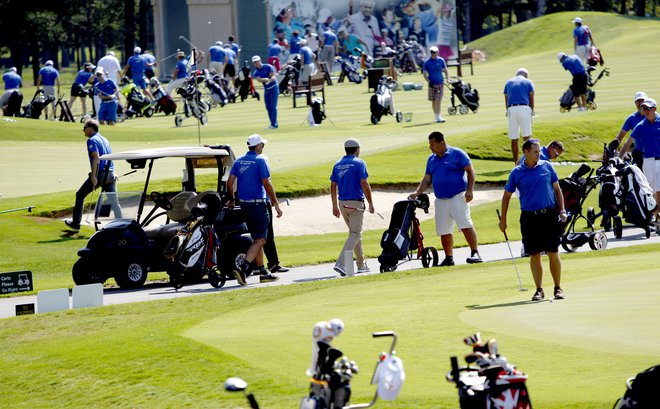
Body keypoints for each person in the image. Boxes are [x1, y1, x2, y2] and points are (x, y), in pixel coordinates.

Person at [499, 139, 568, 301]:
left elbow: (558, 190)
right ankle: (539, 290)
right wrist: (503, 220)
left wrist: (562, 210)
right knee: (535, 254)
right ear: (526, 152)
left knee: (553, 252)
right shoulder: (516, 172)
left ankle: (558, 287)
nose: (539, 154)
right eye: (535, 152)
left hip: (549, 215)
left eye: (539, 151)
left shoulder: (547, 166)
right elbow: (506, 196)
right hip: (529, 218)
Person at [408, 131, 482, 266]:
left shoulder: (457, 154)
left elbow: (470, 170)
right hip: (441, 199)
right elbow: (427, 178)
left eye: (432, 144)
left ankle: (475, 252)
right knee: (444, 230)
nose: (430, 147)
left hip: (458, 196)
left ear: (441, 143)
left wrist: (470, 190)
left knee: (465, 225)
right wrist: (417, 192)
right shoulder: (431, 159)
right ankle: (449, 257)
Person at [226, 134, 282, 285]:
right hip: (258, 205)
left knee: (256, 239)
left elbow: (230, 183)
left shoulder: (239, 161)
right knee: (261, 239)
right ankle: (243, 266)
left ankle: (263, 271)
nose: (263, 148)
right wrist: (276, 203)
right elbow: (267, 183)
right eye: (262, 145)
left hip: (244, 205)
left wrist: (232, 199)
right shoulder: (260, 160)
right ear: (258, 147)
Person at [65, 118, 120, 231]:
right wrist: (113, 172)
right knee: (114, 201)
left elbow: (96, 157)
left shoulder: (92, 140)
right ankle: (123, 225)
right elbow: (110, 156)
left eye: (84, 128)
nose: (83, 130)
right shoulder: (104, 139)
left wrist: (93, 176)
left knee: (80, 195)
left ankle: (76, 224)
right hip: (110, 174)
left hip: (100, 174)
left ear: (90, 128)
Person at [330, 138, 375, 276]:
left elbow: (333, 186)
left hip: (342, 203)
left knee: (354, 234)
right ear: (356, 149)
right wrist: (371, 203)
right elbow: (364, 183)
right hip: (356, 203)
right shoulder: (359, 163)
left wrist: (334, 205)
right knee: (355, 234)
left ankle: (361, 265)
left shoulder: (337, 164)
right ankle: (341, 263)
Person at [620, 98, 660, 227]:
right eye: (644, 108)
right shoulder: (641, 125)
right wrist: (619, 158)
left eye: (648, 108)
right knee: (650, 191)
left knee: (659, 190)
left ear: (655, 108)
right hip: (648, 161)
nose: (646, 111)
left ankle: (658, 218)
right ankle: (655, 215)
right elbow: (628, 143)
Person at [503, 68, 535, 163]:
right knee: (527, 138)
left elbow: (506, 98)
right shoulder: (528, 82)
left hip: (511, 109)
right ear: (525, 75)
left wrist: (508, 110)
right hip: (524, 108)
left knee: (514, 138)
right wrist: (532, 111)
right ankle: (527, 161)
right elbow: (531, 98)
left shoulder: (508, 82)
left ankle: (516, 163)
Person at [617, 91, 648, 169]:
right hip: (638, 155)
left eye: (642, 100)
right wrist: (617, 155)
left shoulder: (655, 117)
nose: (640, 103)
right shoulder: (631, 119)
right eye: (638, 101)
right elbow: (620, 138)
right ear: (635, 103)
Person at [422, 45, 449, 123]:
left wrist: (448, 78)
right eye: (431, 52)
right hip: (432, 84)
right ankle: (437, 116)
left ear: (437, 52)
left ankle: (438, 116)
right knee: (433, 100)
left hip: (440, 83)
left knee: (438, 100)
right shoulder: (427, 62)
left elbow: (445, 70)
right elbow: (424, 73)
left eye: (434, 52)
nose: (432, 53)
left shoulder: (441, 60)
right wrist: (429, 81)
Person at [251, 55, 279, 129]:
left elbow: (273, 76)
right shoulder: (255, 72)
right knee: (268, 107)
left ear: (260, 61)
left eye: (257, 61)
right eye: (255, 62)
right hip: (267, 90)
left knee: (273, 106)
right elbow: (259, 79)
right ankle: (273, 124)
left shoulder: (268, 67)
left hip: (274, 88)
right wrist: (266, 79)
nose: (256, 63)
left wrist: (269, 80)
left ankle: (274, 124)